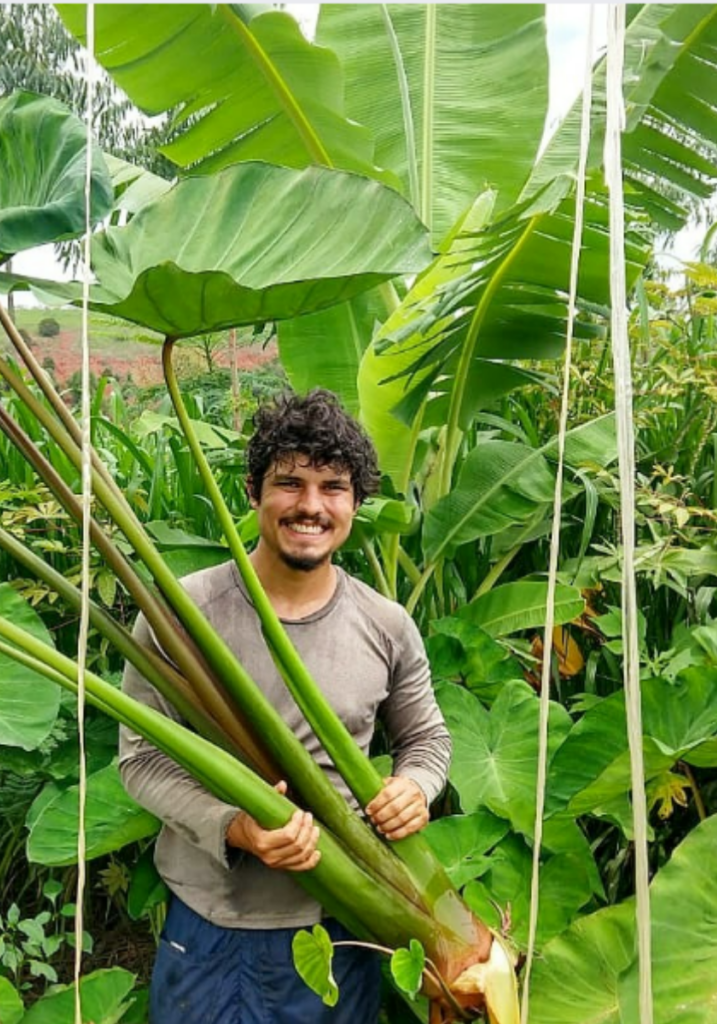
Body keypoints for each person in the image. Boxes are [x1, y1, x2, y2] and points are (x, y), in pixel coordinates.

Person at [119, 389, 451, 1024]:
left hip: (341, 928)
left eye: (333, 486)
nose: (311, 506)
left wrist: (415, 786)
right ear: (253, 491)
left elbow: (427, 741)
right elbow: (141, 762)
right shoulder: (183, 617)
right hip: (216, 925)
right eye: (289, 483)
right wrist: (237, 828)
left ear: (355, 502)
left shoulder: (385, 624)